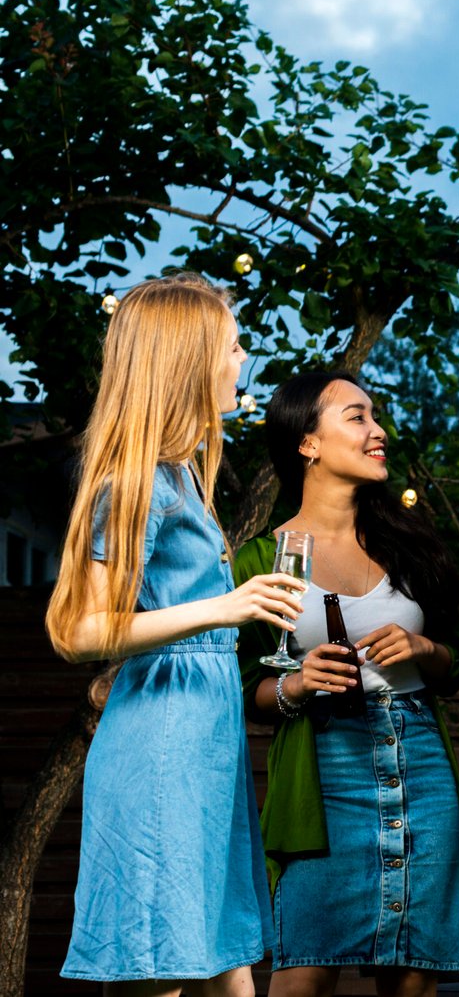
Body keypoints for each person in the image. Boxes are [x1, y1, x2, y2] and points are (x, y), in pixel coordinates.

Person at [46, 273, 289, 996]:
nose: (241, 360)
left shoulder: (181, 476)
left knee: (221, 949)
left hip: (204, 741)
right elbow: (85, 628)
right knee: (164, 963)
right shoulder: (135, 482)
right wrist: (224, 609)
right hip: (161, 744)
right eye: (232, 345)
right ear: (188, 359)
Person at [234, 371, 459, 997]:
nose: (379, 432)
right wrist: (296, 684)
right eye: (357, 417)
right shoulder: (262, 559)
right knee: (301, 973)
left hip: (419, 764)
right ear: (307, 443)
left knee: (414, 972)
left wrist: (425, 650)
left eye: (375, 417)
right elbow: (244, 692)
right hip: (323, 775)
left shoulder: (409, 543)